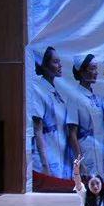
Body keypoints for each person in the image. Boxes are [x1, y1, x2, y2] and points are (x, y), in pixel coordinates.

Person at [31, 46, 72, 178]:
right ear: (44, 65)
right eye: (55, 62)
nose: (60, 65)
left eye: (59, 61)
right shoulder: (38, 90)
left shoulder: (55, 92)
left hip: (59, 155)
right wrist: (45, 166)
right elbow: (37, 130)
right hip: (47, 159)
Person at [67, 54, 104, 179]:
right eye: (92, 68)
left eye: (96, 68)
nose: (96, 72)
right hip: (86, 150)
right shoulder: (74, 96)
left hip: (100, 148)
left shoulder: (96, 97)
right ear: (82, 71)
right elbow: (72, 133)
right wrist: (80, 163)